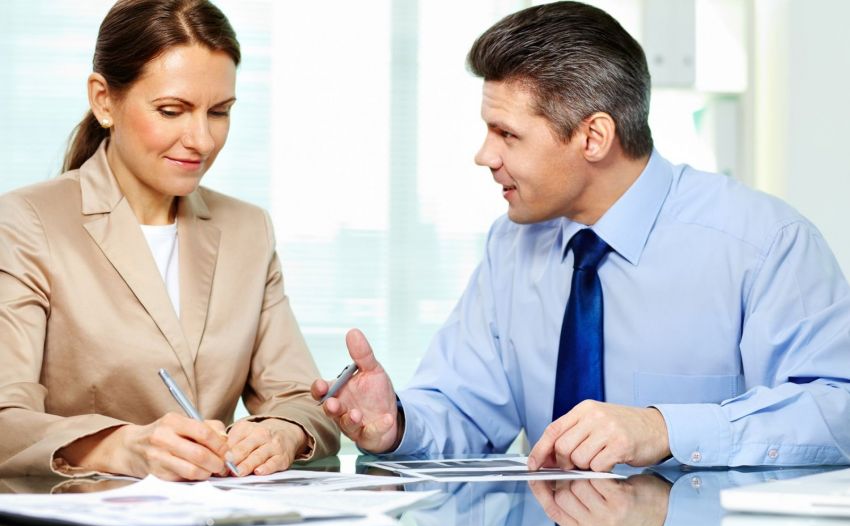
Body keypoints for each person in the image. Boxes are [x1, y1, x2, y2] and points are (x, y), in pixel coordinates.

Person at [312, 1, 850, 470]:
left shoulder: (763, 243)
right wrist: (397, 424)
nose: (484, 155)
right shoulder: (511, 245)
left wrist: (665, 430)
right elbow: (467, 408)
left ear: (593, 136)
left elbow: (835, 410)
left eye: (507, 134)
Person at [0, 0, 338, 480]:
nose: (201, 139)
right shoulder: (26, 222)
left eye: (219, 112)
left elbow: (306, 401)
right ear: (103, 100)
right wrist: (121, 447)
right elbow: (4, 417)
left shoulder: (247, 230)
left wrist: (279, 434)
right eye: (171, 110)